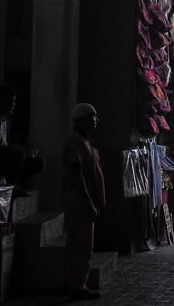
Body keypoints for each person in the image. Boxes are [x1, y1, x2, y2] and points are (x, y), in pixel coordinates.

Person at [63, 103, 106, 300]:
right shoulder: (76, 143)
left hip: (85, 203)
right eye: (92, 116)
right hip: (79, 204)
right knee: (80, 247)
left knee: (84, 246)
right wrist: (89, 202)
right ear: (81, 120)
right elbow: (77, 176)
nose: (96, 120)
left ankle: (79, 283)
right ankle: (76, 286)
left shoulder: (86, 142)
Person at [0, 84, 45, 190]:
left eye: (14, 102)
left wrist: (25, 151)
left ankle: (16, 185)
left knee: (37, 161)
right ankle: (9, 187)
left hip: (1, 157)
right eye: (9, 102)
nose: (12, 105)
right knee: (16, 154)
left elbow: (4, 145)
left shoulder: (5, 120)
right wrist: (14, 150)